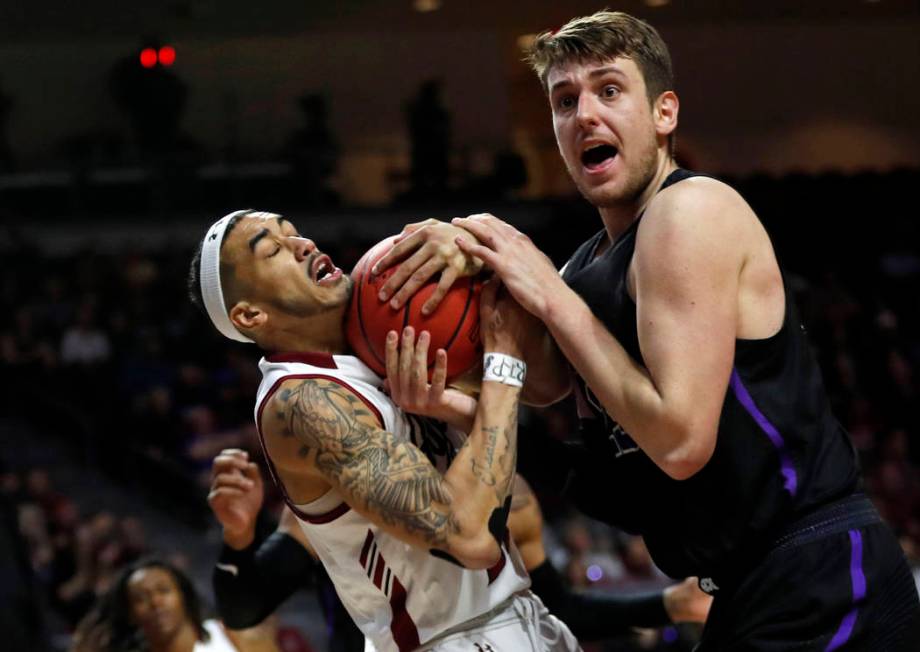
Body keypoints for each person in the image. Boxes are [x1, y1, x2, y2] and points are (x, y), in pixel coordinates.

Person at [370, 10, 920, 651]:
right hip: (749, 589)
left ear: (664, 114)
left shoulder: (690, 210)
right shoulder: (585, 267)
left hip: (821, 574)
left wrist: (547, 291)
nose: (584, 115)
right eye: (565, 100)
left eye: (609, 90)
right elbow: (546, 395)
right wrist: (456, 396)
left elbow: (682, 442)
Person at [187, 209, 579, 652]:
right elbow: (469, 537)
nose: (303, 245)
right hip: (450, 640)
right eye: (275, 249)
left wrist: (471, 246)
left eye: (295, 233)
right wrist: (502, 359)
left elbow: (549, 385)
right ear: (250, 314)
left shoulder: (382, 329)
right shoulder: (302, 402)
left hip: (523, 614)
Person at [207, 451, 710, 650]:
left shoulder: (513, 491)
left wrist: (669, 605)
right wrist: (239, 534)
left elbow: (561, 609)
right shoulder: (347, 493)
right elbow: (244, 605)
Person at [70, 557, 274, 652]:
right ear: (130, 614)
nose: (156, 602)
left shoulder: (235, 635)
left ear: (183, 595)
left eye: (164, 590)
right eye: (141, 598)